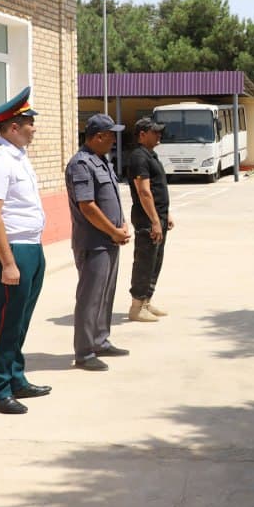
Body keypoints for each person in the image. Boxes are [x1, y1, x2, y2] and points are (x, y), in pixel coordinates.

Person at [0, 87, 49, 415]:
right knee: (7, 320)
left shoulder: (17, 156)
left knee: (21, 318)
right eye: (30, 122)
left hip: (30, 247)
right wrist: (7, 262)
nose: (34, 127)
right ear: (14, 127)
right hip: (12, 251)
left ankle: (16, 377)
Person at [66, 114, 133, 370]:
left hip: (110, 239)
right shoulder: (81, 164)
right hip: (93, 242)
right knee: (90, 297)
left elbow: (111, 197)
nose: (114, 140)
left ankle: (100, 341)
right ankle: (84, 352)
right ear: (97, 137)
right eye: (111, 135)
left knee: (105, 294)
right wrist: (112, 231)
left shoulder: (101, 161)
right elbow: (88, 206)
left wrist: (122, 224)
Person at [127, 116, 174, 321]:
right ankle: (137, 307)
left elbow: (156, 189)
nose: (159, 135)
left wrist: (165, 214)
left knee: (156, 261)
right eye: (155, 132)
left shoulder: (151, 155)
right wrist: (154, 221)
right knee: (145, 262)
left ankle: (146, 301)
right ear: (142, 134)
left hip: (158, 217)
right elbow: (144, 192)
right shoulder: (139, 157)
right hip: (147, 220)